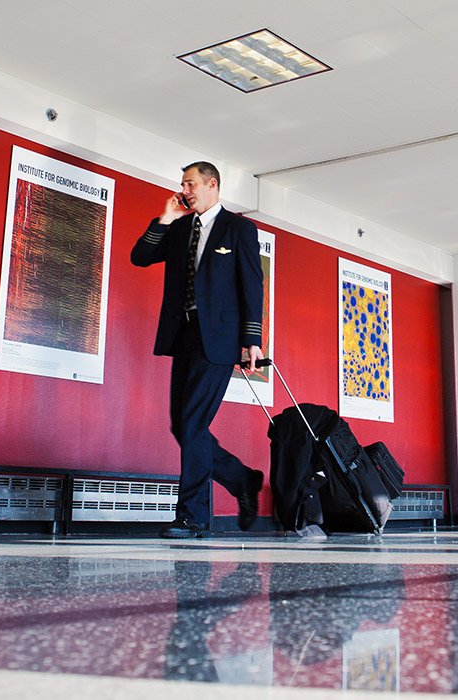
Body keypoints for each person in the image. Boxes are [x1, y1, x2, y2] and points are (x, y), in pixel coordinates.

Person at [131, 161, 265, 538]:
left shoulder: (239, 229)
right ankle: (242, 479)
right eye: (182, 184)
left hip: (219, 341)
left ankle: (192, 515)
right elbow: (140, 257)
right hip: (183, 336)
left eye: (190, 183)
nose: (184, 189)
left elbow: (252, 286)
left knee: (192, 425)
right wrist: (165, 217)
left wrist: (251, 340)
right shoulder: (179, 228)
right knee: (184, 426)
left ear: (212, 184)